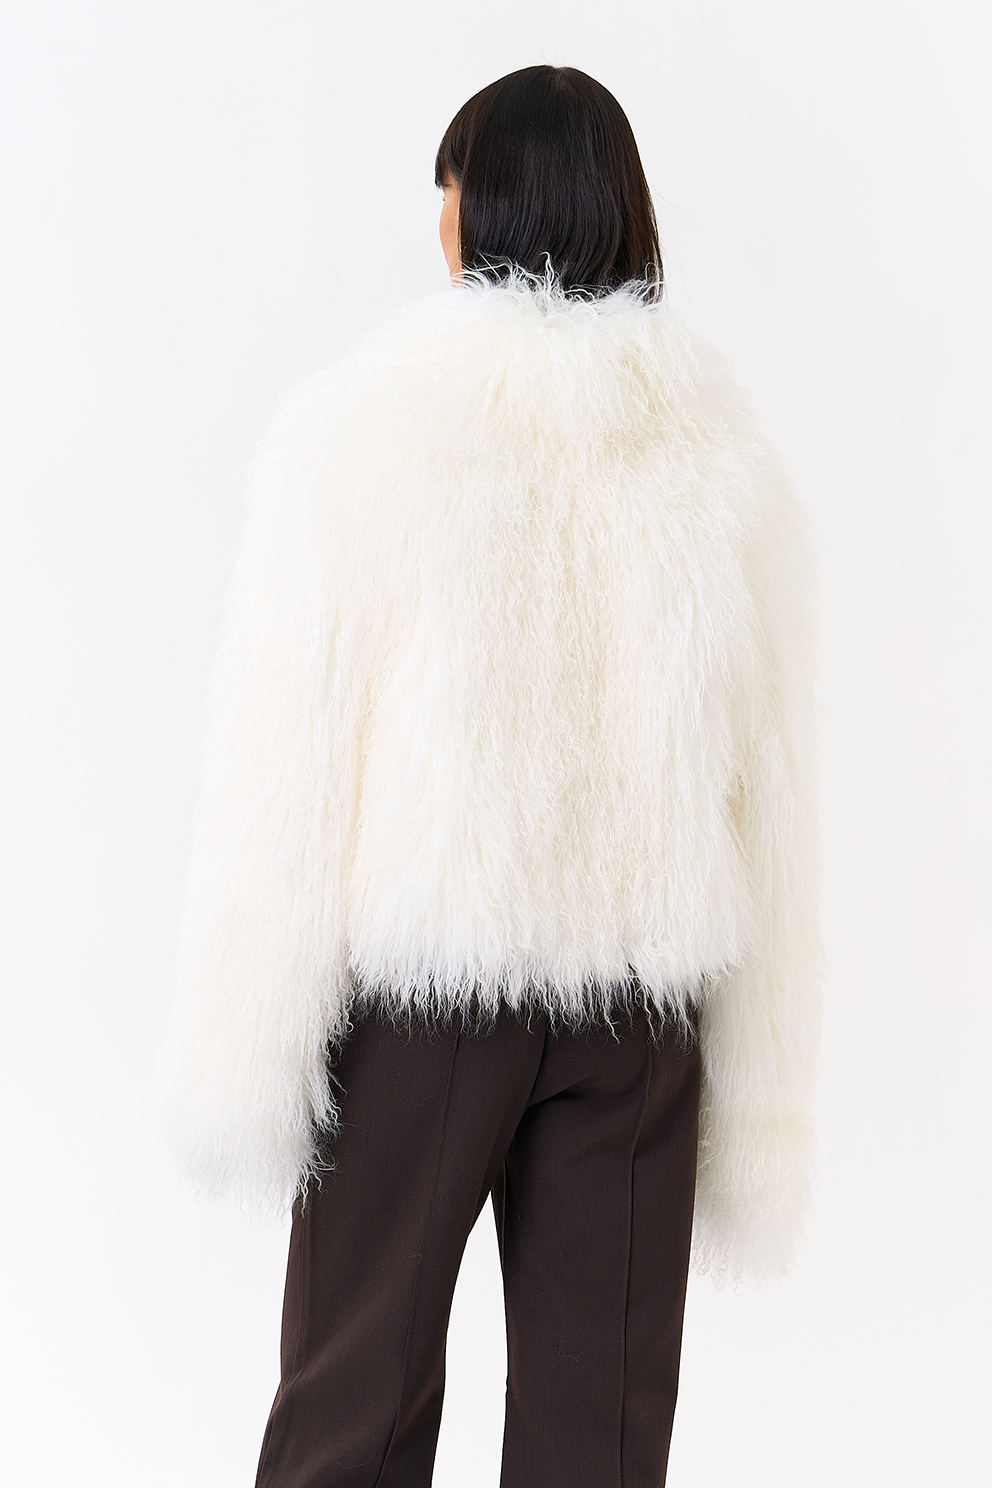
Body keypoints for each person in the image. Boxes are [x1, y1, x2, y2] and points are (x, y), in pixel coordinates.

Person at [163, 64, 822, 1488]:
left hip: (424, 994)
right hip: (640, 1009)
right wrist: (762, 1069)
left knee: (352, 1409)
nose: (439, 221)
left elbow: (287, 764)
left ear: (488, 206)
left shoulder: (364, 436)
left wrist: (250, 1035)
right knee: (602, 1443)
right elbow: (765, 798)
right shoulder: (723, 464)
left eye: (449, 189)